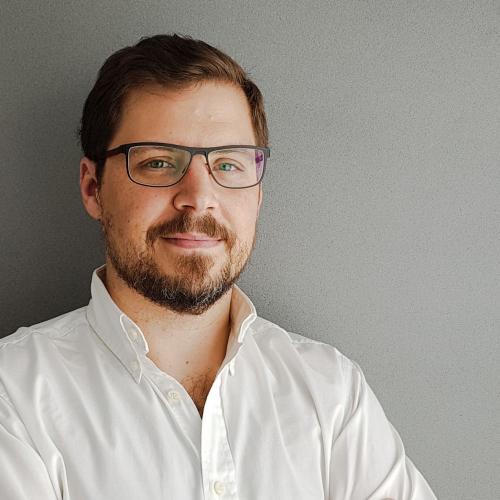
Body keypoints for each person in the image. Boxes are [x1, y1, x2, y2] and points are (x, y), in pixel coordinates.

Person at [0, 34, 437, 500]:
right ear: (93, 188)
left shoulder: (331, 392)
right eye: (158, 162)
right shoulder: (14, 396)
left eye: (228, 165)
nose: (199, 197)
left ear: (258, 195)